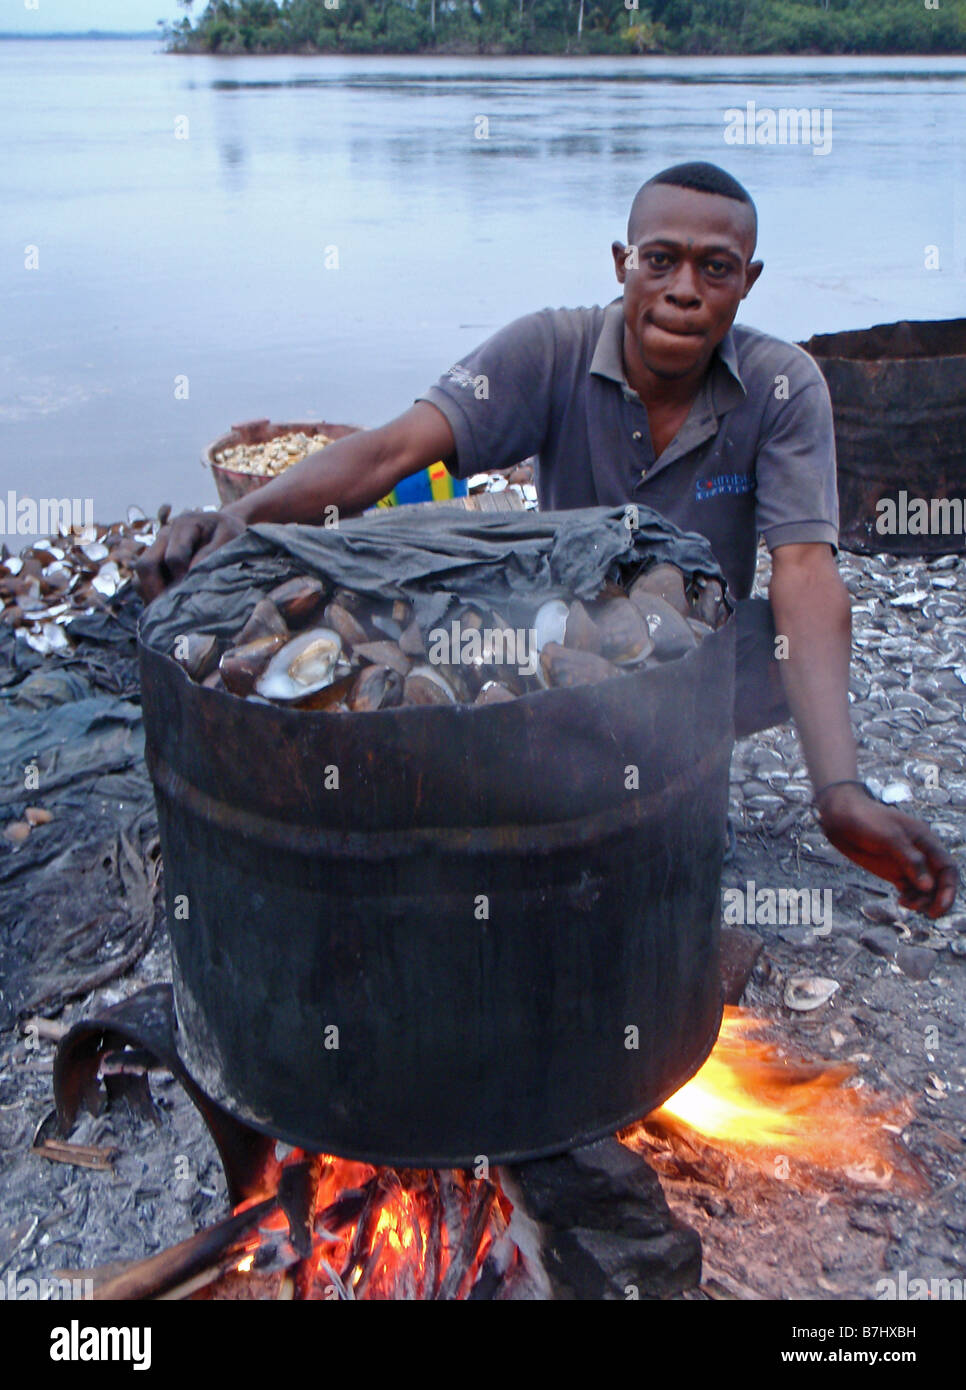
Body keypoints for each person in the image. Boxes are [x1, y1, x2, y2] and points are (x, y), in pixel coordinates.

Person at [137, 160, 958, 919]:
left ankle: (677, 793)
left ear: (749, 281)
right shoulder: (551, 351)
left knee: (787, 630)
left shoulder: (783, 385)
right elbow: (392, 451)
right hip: (552, 650)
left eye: (716, 268)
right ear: (620, 264)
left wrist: (839, 789)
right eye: (659, 260)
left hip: (695, 671)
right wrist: (241, 518)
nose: (683, 291)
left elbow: (807, 571)